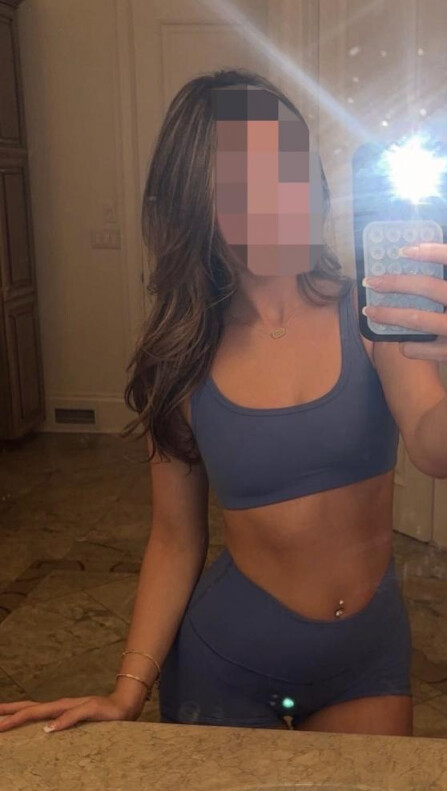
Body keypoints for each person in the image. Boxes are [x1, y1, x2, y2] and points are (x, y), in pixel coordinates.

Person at [0, 67, 414, 736]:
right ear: (199, 204)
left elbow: (441, 444)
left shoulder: (377, 310)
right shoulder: (182, 355)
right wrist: (127, 690)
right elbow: (174, 537)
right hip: (227, 669)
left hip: (365, 662)